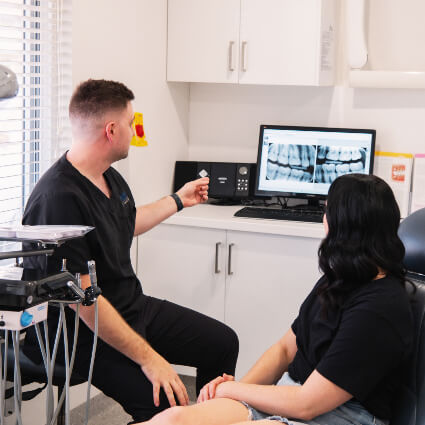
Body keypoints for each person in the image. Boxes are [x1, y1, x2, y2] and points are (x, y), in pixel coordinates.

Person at [22, 79, 239, 423]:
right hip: (81, 333)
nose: (135, 130)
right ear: (111, 129)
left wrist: (179, 199)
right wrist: (149, 359)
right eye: (131, 122)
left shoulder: (108, 177)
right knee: (167, 407)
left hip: (130, 307)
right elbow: (85, 303)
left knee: (222, 342)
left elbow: (126, 222)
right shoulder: (58, 199)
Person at [137, 173, 414, 425]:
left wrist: (231, 388)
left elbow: (308, 405)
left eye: (328, 211)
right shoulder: (342, 277)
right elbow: (285, 349)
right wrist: (235, 395)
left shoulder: (379, 309)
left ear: (344, 226)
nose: (323, 219)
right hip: (290, 395)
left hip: (340, 415)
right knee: (173, 419)